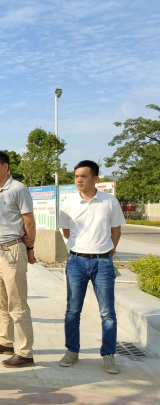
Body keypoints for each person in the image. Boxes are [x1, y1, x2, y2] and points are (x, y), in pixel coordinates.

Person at [57, 160, 126, 374]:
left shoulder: (109, 201)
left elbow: (116, 230)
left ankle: (108, 355)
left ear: (95, 178)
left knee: (107, 312)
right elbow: (66, 232)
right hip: (76, 261)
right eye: (76, 176)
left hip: (102, 262)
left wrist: (110, 250)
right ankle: (72, 350)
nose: (79, 180)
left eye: (84, 176)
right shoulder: (68, 202)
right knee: (72, 310)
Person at [0, 150, 36, 368]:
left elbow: (29, 221)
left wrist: (30, 248)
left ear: (5, 167)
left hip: (12, 250)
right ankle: (5, 341)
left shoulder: (18, 189)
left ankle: (25, 352)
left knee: (17, 304)